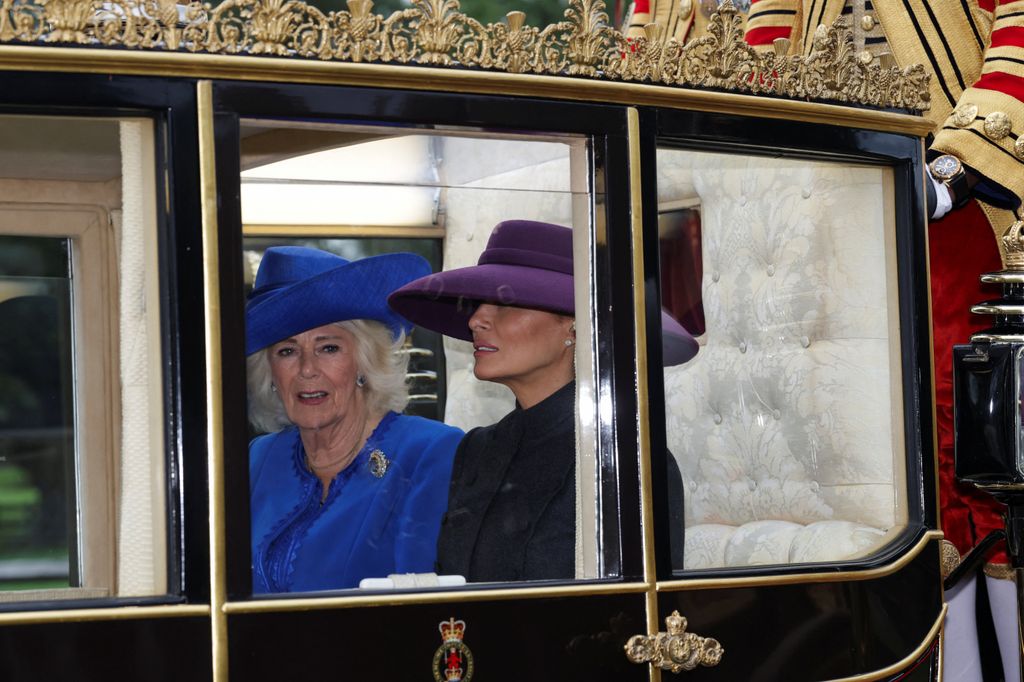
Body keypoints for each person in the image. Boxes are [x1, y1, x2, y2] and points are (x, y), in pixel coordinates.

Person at [740, 3, 1024, 679]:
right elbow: (761, 48)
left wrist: (953, 170)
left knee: (972, 448)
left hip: (965, 207)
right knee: (855, 448)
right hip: (820, 209)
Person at [389, 220, 698, 582]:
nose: (475, 320)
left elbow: (639, 614)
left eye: (506, 305)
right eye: (477, 305)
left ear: (574, 326)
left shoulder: (624, 460)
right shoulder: (477, 450)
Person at [245, 246, 464, 593]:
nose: (306, 369)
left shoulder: (430, 453)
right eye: (287, 351)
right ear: (270, 373)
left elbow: (421, 606)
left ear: (364, 361)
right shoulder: (258, 459)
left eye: (328, 348)